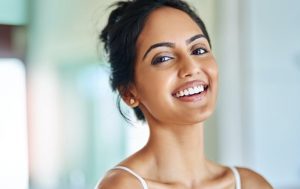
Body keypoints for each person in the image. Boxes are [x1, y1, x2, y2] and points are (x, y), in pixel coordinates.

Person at [97, 0, 273, 188]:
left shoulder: (250, 184)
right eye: (163, 58)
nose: (191, 68)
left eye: (198, 50)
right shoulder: (123, 186)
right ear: (128, 92)